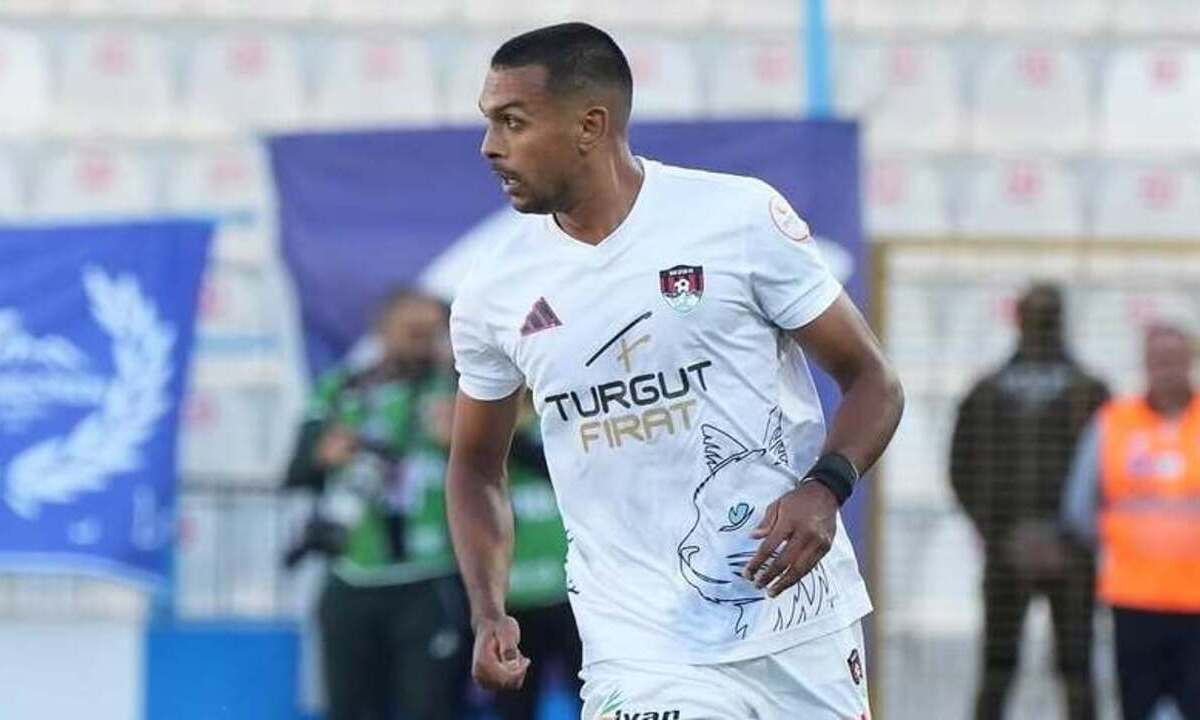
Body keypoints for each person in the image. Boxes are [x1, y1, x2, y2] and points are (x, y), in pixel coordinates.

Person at [445, 22, 904, 719]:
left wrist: (824, 489)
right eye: (489, 121)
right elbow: (476, 467)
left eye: (513, 121)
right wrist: (488, 609)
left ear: (590, 125)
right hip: (640, 646)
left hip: (797, 624)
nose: (490, 146)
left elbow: (873, 381)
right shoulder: (494, 289)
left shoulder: (735, 218)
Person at [283, 289, 469, 720]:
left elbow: (521, 459)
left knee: (431, 710)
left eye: (433, 332)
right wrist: (323, 455)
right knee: (350, 710)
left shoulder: (464, 387)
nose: (424, 343)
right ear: (383, 332)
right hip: (353, 578)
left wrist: (466, 441)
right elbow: (294, 473)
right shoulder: (342, 389)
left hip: (430, 579)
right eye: (412, 332)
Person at [949, 284, 1109, 720]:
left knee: (1072, 667)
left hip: (1065, 553)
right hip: (1013, 551)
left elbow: (1109, 471)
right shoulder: (988, 393)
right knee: (1003, 667)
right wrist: (1001, 534)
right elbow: (962, 467)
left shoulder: (1090, 393)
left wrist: (1072, 537)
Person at [1062, 316, 1200, 720]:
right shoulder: (1114, 423)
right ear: (1146, 364)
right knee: (1137, 706)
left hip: (1197, 601)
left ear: (1190, 361)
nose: (1167, 370)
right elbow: (1079, 507)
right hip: (1134, 599)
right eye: (1159, 360)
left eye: (1175, 360)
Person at [493, 398, 583, 719]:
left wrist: (513, 437)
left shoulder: (565, 424)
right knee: (515, 707)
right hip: (512, 603)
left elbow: (564, 469)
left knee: (596, 698)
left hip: (572, 596)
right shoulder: (478, 437)